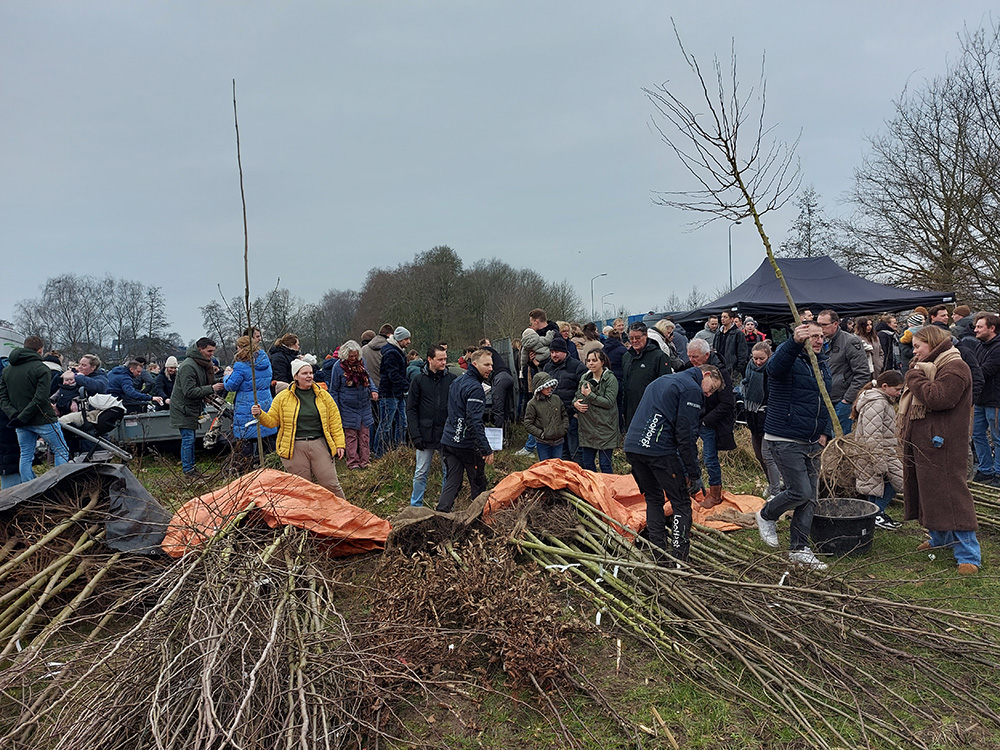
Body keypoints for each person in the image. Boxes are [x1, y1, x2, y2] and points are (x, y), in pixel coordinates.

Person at [899, 325, 980, 574]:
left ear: (932, 344)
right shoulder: (931, 365)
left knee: (952, 494)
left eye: (918, 346)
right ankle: (940, 539)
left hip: (944, 442)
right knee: (930, 491)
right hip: (928, 440)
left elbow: (939, 398)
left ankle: (969, 555)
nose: (914, 351)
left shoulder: (955, 367)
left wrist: (913, 378)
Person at [755, 321, 834, 571]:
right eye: (813, 337)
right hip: (785, 437)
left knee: (810, 498)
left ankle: (800, 549)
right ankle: (767, 514)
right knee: (800, 491)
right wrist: (793, 343)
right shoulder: (788, 358)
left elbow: (822, 400)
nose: (819, 340)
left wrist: (824, 431)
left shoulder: (821, 364)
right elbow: (774, 370)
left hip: (812, 440)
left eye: (822, 336)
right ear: (802, 337)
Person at [624, 365, 722, 562]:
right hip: (659, 450)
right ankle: (679, 557)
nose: (708, 394)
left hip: (633, 446)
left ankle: (658, 553)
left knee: (653, 498)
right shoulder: (691, 389)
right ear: (707, 374)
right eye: (711, 388)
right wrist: (694, 475)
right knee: (681, 502)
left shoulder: (660, 381)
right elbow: (686, 436)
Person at [252, 360, 347, 498]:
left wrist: (339, 444)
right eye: (304, 373)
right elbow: (272, 421)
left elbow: (335, 422)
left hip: (319, 443)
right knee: (302, 488)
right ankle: (307, 516)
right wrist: (260, 415)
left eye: (310, 373)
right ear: (295, 376)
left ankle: (345, 513)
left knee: (331, 484)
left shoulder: (323, 395)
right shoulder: (282, 397)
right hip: (294, 447)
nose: (309, 376)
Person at [0, 336, 72, 483]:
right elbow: (40, 398)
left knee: (25, 455)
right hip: (43, 418)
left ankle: (29, 487)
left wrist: (15, 415)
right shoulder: (41, 369)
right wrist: (25, 415)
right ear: (40, 350)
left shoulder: (7, 371)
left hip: (19, 421)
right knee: (61, 450)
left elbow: (3, 398)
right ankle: (61, 484)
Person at [437, 348, 494, 512]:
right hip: (466, 445)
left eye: (491, 365)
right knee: (478, 483)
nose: (490, 368)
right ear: (475, 364)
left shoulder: (456, 381)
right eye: (487, 364)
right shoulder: (475, 388)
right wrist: (485, 449)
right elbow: (474, 421)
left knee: (453, 482)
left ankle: (441, 514)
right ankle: (479, 518)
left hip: (448, 441)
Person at [685, 337, 736, 508]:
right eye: (689, 356)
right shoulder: (690, 370)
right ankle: (689, 488)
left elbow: (727, 403)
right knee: (686, 453)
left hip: (709, 422)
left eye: (695, 357)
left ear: (706, 355)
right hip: (693, 419)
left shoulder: (721, 372)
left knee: (709, 458)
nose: (691, 360)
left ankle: (715, 494)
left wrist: (706, 421)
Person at [851, 370, 905, 530]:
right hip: (875, 453)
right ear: (885, 386)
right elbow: (872, 435)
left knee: (883, 483)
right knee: (892, 482)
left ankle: (874, 514)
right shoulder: (877, 403)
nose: (899, 393)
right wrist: (878, 460)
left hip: (883, 451)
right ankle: (876, 514)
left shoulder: (882, 400)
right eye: (897, 389)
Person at [169, 337, 226, 478]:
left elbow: (199, 385)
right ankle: (188, 470)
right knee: (188, 439)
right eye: (209, 351)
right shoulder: (188, 366)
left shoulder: (199, 364)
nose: (211, 354)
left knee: (190, 439)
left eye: (213, 351)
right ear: (200, 349)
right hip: (184, 409)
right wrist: (211, 388)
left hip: (190, 408)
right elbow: (189, 391)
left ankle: (191, 468)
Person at [405, 344, 455, 505]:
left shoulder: (452, 380)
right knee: (420, 472)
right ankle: (416, 505)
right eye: (440, 359)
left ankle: (445, 505)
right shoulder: (418, 381)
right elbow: (411, 409)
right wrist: (415, 434)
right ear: (430, 359)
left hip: (446, 434)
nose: (443, 362)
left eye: (445, 359)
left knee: (448, 471)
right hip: (424, 434)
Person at [223, 335, 277, 458]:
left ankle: (248, 468)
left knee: (247, 439)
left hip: (247, 405)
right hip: (265, 402)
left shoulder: (241, 366)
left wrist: (227, 376)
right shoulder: (265, 361)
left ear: (241, 348)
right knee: (267, 437)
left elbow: (231, 386)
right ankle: (271, 465)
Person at [816, 309, 869, 434]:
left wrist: (847, 399)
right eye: (818, 324)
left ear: (835, 324)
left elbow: (862, 373)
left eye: (824, 325)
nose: (821, 328)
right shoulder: (818, 342)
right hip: (823, 399)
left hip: (841, 399)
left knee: (839, 437)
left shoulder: (850, 341)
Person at [329, 340, 377, 470]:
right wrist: (336, 409)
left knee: (365, 434)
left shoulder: (362, 363)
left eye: (355, 355)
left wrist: (373, 390)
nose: (354, 358)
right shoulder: (337, 367)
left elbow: (369, 378)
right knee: (350, 436)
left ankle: (365, 461)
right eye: (351, 356)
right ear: (345, 355)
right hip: (347, 406)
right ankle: (353, 462)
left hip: (364, 405)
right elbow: (333, 390)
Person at [743, 341, 781, 499]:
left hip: (768, 415)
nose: (758, 362)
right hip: (752, 416)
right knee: (758, 455)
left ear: (769, 356)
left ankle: (776, 490)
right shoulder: (749, 368)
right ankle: (772, 483)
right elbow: (745, 383)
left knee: (767, 455)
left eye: (761, 359)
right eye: (755, 358)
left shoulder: (772, 371)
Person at [574, 349, 619, 473]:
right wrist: (575, 404)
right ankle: (594, 489)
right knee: (587, 463)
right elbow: (577, 395)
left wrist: (590, 396)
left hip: (605, 428)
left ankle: (608, 489)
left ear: (602, 362)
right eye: (588, 361)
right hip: (587, 428)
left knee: (605, 465)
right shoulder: (584, 377)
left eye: (594, 360)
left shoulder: (611, 379)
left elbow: (609, 402)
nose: (591, 363)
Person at [544, 337, 587, 463]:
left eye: (557, 352)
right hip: (555, 417)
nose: (554, 355)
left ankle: (579, 476)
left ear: (564, 351)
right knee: (561, 452)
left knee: (575, 451)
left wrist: (576, 410)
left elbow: (584, 390)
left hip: (572, 415)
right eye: (552, 352)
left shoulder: (577, 366)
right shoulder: (547, 368)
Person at [621, 322, 672, 430]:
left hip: (650, 410)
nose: (634, 341)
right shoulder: (626, 357)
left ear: (646, 336)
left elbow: (665, 388)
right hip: (630, 411)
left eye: (638, 337)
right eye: (631, 338)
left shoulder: (659, 357)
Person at [374, 326, 411, 457]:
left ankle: (400, 450)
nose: (409, 342)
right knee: (386, 425)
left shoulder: (397, 351)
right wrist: (407, 385)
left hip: (397, 393)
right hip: (389, 393)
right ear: (400, 339)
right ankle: (380, 453)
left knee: (402, 422)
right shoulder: (391, 353)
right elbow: (392, 374)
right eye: (406, 339)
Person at [972, 312, 1000, 486]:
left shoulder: (998, 348)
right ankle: (985, 469)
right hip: (980, 398)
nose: (975, 330)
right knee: (977, 434)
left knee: (997, 437)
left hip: (995, 399)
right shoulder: (980, 346)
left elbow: (985, 370)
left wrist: (972, 374)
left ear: (992, 328)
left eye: (979, 326)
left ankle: (998, 472)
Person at [524, 372, 568, 461]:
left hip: (558, 441)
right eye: (546, 386)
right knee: (545, 466)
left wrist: (563, 429)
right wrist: (541, 434)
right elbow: (528, 424)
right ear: (539, 388)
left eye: (550, 386)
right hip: (543, 442)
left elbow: (564, 415)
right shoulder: (532, 404)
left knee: (557, 465)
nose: (549, 389)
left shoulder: (556, 399)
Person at [479, 338, 515, 432]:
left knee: (498, 408)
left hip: (500, 378)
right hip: (508, 376)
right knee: (505, 407)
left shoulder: (486, 352)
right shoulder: (495, 355)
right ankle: (507, 431)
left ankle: (499, 434)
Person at [714, 311, 749, 383]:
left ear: (731, 319)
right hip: (719, 367)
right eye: (721, 317)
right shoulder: (718, 333)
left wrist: (738, 369)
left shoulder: (738, 333)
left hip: (732, 368)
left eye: (725, 317)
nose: (722, 319)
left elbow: (742, 353)